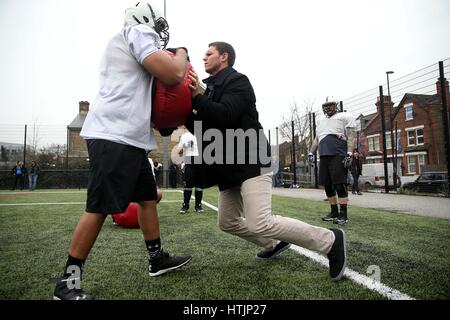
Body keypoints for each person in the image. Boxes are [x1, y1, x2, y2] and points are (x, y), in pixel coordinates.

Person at [52, 1, 191, 300]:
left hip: (129, 137)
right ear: (144, 19)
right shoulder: (138, 31)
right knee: (100, 207)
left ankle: (156, 259)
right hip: (114, 135)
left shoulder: (127, 42)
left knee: (147, 198)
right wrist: (182, 54)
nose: (159, 32)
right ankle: (68, 282)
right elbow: (173, 74)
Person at [186, 42, 346, 281]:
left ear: (224, 57)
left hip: (251, 160)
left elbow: (225, 116)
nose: (203, 57)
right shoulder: (208, 91)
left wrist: (197, 96)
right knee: (226, 222)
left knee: (259, 222)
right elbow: (205, 129)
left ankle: (330, 240)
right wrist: (183, 114)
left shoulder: (238, 81)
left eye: (209, 53)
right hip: (228, 165)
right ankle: (273, 242)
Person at [308, 98, 357, 225]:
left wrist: (350, 152)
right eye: (325, 106)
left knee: (339, 184)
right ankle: (334, 211)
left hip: (338, 154)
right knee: (327, 185)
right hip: (324, 155)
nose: (327, 108)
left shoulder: (345, 116)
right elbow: (317, 138)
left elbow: (351, 136)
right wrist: (311, 152)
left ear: (335, 106)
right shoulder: (321, 121)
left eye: (330, 106)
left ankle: (343, 214)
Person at [177, 131, 204, 213]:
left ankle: (198, 206)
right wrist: (186, 145)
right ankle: (185, 205)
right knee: (188, 185)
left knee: (199, 185)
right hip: (189, 161)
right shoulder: (184, 135)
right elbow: (179, 152)